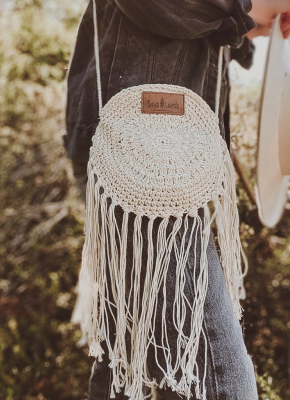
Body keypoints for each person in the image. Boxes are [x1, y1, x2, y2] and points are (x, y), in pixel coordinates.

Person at [64, 1, 290, 399]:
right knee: (222, 384)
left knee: (132, 366)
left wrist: (250, 23)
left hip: (164, 152)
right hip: (142, 150)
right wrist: (248, 9)